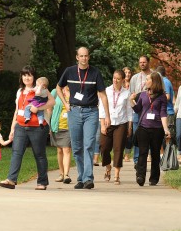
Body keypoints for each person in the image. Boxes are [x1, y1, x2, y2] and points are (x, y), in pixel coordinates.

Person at [56, 47, 110, 190]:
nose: (84, 58)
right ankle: (81, 177)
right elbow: (58, 88)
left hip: (91, 112)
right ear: (77, 57)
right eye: (81, 56)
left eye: (86, 56)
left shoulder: (95, 72)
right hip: (74, 112)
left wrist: (107, 116)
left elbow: (103, 95)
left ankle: (88, 178)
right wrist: (65, 103)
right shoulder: (69, 71)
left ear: (89, 57)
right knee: (77, 146)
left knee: (88, 144)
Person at [0, 65, 55, 190]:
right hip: (20, 126)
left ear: (34, 77)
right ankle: (11, 180)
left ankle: (42, 182)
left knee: (39, 154)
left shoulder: (40, 89)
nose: (26, 78)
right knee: (16, 152)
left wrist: (39, 108)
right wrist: (12, 128)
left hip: (38, 127)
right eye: (24, 75)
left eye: (29, 75)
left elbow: (53, 102)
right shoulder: (20, 92)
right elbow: (17, 110)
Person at [129, 72, 170, 186]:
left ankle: (154, 178)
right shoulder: (142, 95)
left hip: (157, 129)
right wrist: (131, 100)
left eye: (147, 79)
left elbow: (163, 113)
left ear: (154, 81)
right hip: (143, 127)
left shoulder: (162, 96)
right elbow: (137, 109)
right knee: (143, 152)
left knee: (155, 154)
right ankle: (140, 176)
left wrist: (166, 129)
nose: (145, 81)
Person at [99, 70, 132, 185]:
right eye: (114, 78)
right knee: (104, 147)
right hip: (108, 122)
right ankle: (108, 167)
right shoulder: (106, 91)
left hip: (121, 123)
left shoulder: (126, 93)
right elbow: (102, 108)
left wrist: (129, 126)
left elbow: (129, 111)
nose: (115, 80)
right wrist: (102, 124)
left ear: (123, 80)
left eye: (118, 79)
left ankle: (117, 175)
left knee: (118, 149)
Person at [129, 55, 152, 168]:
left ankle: (146, 158)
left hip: (149, 110)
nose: (142, 64)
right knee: (137, 134)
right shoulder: (135, 78)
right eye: (140, 62)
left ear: (148, 62)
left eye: (144, 62)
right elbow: (131, 94)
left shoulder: (154, 75)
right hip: (137, 110)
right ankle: (137, 160)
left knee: (148, 135)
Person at [49, 86, 72, 184]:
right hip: (56, 125)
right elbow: (49, 108)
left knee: (66, 149)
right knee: (59, 150)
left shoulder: (74, 91)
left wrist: (69, 95)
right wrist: (49, 124)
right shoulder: (55, 92)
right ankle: (61, 173)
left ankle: (66, 174)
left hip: (69, 127)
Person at [156, 65, 175, 149]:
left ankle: (167, 154)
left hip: (167, 111)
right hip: (163, 111)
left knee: (167, 134)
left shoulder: (165, 82)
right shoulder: (164, 81)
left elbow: (167, 96)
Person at [122, 67, 133, 162]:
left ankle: (127, 154)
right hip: (121, 112)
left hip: (131, 111)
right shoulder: (119, 84)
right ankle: (120, 152)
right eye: (126, 72)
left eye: (129, 72)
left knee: (130, 134)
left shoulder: (132, 84)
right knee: (121, 134)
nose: (128, 74)